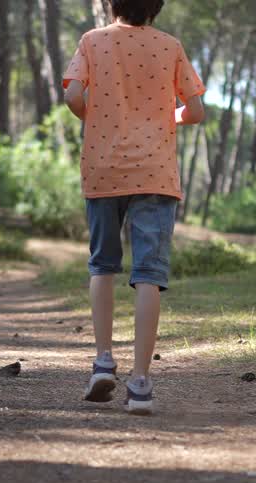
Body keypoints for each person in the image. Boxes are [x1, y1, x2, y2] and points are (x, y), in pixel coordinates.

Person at [62, 0, 206, 416]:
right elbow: (195, 110)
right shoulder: (170, 46)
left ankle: (103, 360)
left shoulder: (92, 41)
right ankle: (140, 381)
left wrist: (96, 117)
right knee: (149, 273)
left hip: (103, 168)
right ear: (156, 8)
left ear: (111, 5)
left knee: (102, 264)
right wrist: (169, 117)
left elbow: (73, 93)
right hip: (155, 172)